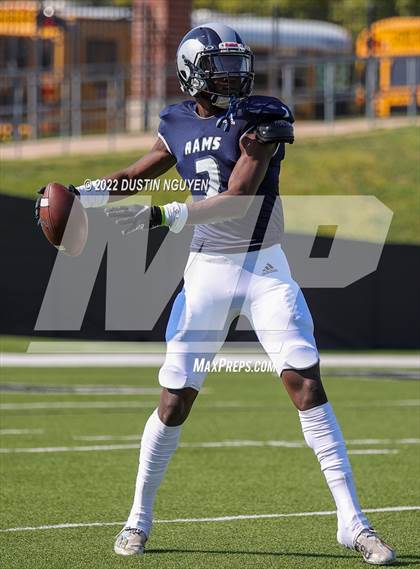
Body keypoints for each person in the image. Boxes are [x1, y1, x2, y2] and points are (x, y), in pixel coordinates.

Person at [38, 23, 396, 566]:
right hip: (207, 273)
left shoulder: (265, 115)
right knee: (174, 401)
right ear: (191, 74)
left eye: (237, 65)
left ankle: (353, 522)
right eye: (220, 68)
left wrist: (164, 215)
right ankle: (138, 518)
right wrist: (80, 194)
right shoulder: (175, 121)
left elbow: (239, 196)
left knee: (304, 382)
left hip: (264, 268)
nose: (233, 77)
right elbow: (136, 174)